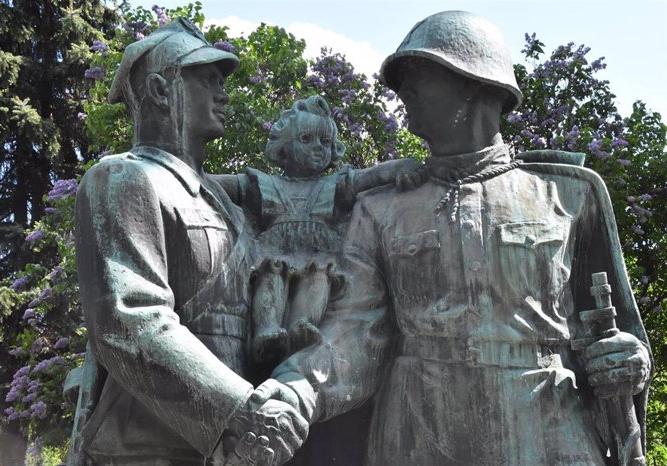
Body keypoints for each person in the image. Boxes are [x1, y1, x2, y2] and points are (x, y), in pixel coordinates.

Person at [265, 11, 652, 465]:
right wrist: (296, 390)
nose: (403, 92)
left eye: (419, 76)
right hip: (421, 434)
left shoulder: (569, 193)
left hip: (546, 434)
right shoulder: (380, 209)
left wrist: (631, 360)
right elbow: (354, 335)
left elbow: (618, 325)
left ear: (470, 82)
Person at [69, 18, 306, 466]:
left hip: (232, 446)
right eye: (206, 80)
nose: (223, 94)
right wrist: (240, 407)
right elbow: (131, 320)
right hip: (147, 447)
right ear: (160, 91)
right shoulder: (123, 178)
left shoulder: (228, 207)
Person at [219, 95, 418, 362]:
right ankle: (266, 331)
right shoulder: (264, 184)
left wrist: (401, 167)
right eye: (306, 139)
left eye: (325, 142)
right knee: (271, 277)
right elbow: (218, 183)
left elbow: (371, 176)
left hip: (319, 255)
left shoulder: (334, 185)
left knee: (318, 278)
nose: (317, 148)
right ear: (284, 147)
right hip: (274, 253)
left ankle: (303, 325)